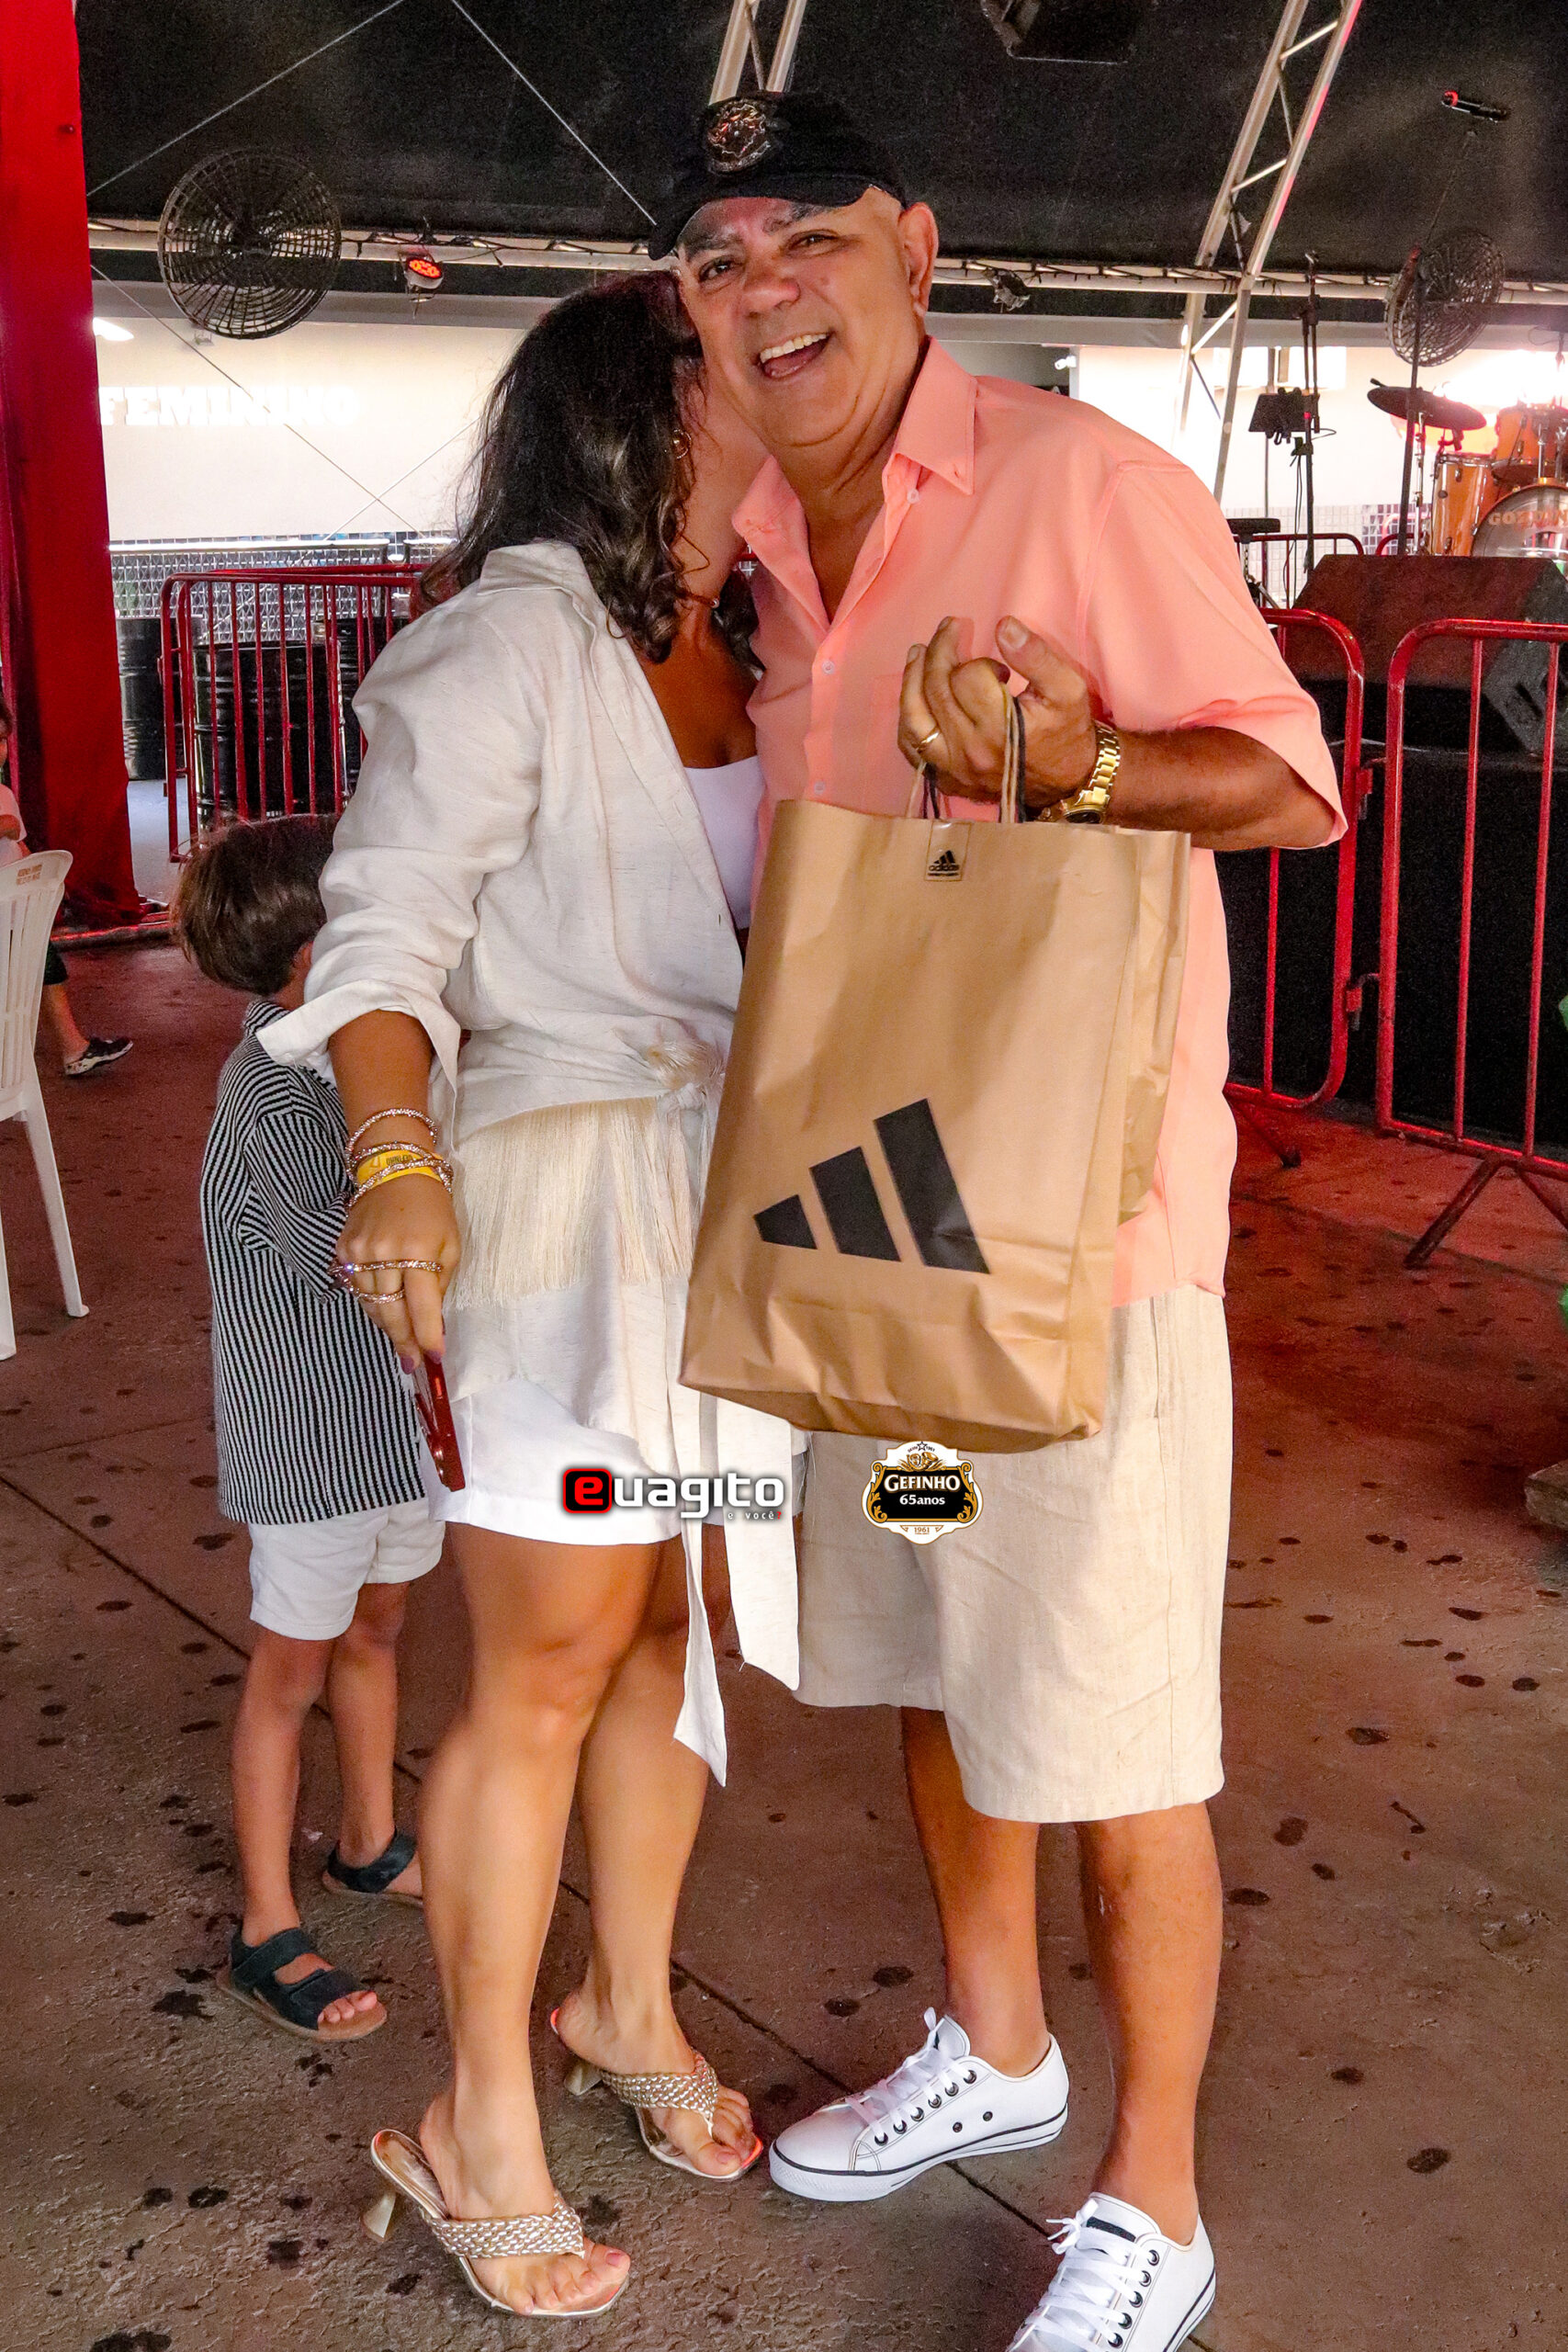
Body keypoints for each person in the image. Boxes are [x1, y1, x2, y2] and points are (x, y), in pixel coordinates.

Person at [662, 92, 1343, 2352]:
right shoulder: (754, 538)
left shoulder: (1078, 486)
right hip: (873, 1269)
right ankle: (994, 2037)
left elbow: (1288, 784)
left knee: (1111, 1725)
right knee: (940, 1655)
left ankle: (1152, 2195)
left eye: (806, 236)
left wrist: (1081, 762)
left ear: (916, 248)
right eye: (714, 259)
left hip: (1079, 1270)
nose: (763, 287)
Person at [264, 276, 799, 2320]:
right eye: (724, 356)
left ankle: (621, 2001)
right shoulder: (504, 638)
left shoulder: (746, 641)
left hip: (709, 1214)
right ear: (640, 412)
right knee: (551, 1660)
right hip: (563, 1219)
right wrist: (394, 1158)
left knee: (668, 1628)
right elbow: (381, 930)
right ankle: (474, 2113)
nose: (773, 367)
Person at [175, 816, 440, 2045]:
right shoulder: (275, 1091)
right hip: (311, 1446)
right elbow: (354, 1253)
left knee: (376, 1633)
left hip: (393, 1432)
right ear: (309, 956)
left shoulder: (350, 1061)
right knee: (289, 1677)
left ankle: (368, 1843)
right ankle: (265, 1924)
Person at [0, 687, 131, 1077]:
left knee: (47, 966)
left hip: (15, 913)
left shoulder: (4, 795)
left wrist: (46, 882)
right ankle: (70, 1049)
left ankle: (74, 1048)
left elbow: (20, 849)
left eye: (2, 741)